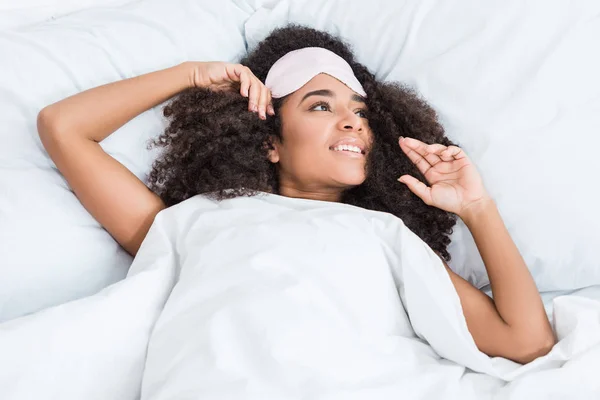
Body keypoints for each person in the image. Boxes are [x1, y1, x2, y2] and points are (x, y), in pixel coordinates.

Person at [37, 25, 555, 364]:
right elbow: (63, 127)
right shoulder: (197, 223)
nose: (353, 121)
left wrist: (477, 209)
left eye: (360, 111)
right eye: (321, 107)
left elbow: (527, 342)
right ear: (270, 144)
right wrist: (191, 75)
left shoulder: (385, 235)